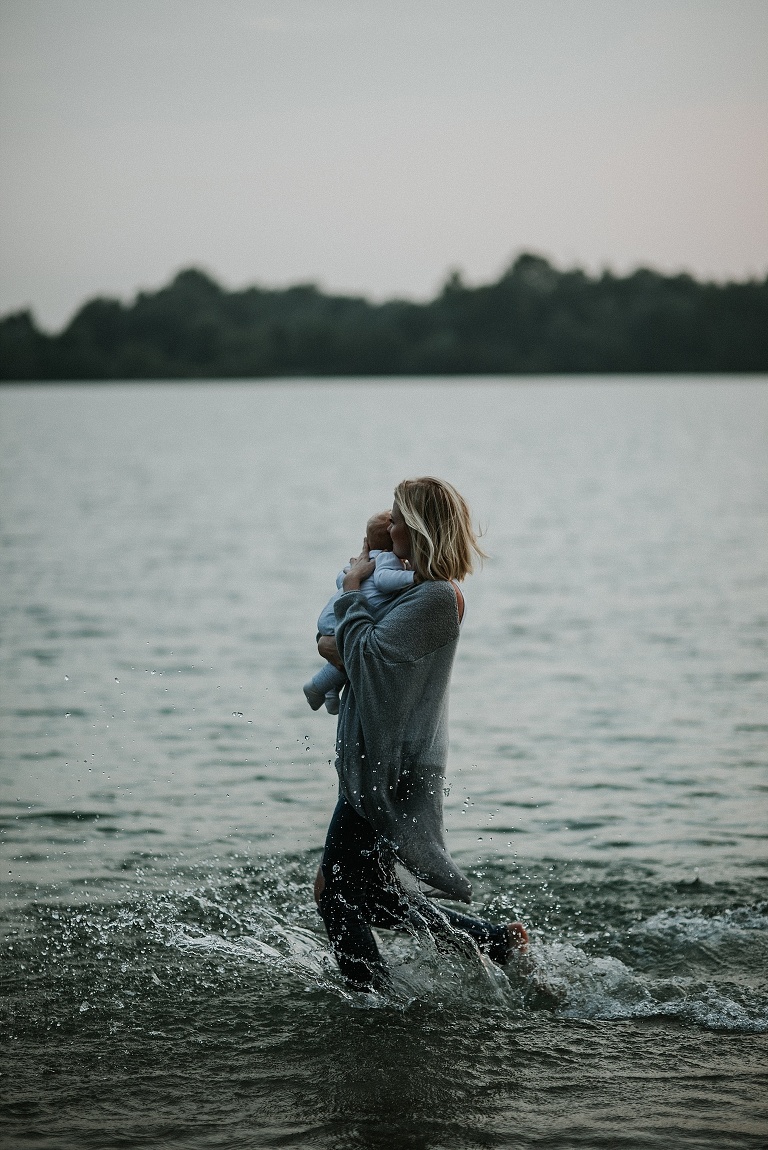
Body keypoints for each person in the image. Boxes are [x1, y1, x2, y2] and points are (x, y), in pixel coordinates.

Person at [313, 476, 528, 992]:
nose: (390, 527)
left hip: (394, 766)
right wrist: (352, 608)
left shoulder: (436, 599)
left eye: (397, 518)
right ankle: (497, 942)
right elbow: (338, 643)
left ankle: (370, 1002)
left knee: (337, 892)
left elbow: (363, 657)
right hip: (379, 759)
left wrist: (350, 591)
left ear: (419, 527)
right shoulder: (411, 592)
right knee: (367, 892)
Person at [303, 511, 414, 714]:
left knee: (343, 655)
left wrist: (354, 575)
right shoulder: (387, 559)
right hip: (343, 618)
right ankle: (317, 686)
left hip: (331, 615)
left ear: (368, 542)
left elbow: (341, 579)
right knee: (351, 654)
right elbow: (383, 581)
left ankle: (329, 692)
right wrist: (411, 577)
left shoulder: (362, 561)